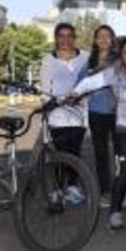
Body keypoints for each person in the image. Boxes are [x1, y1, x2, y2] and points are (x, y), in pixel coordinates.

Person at [74, 37, 126, 230]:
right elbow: (90, 82)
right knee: (123, 171)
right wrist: (74, 93)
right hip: (123, 131)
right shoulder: (114, 73)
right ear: (122, 56)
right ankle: (115, 212)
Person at [39, 23, 89, 158]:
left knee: (75, 154)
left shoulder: (85, 57)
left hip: (79, 115)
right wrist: (49, 104)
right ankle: (61, 179)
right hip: (57, 116)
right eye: (61, 36)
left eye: (69, 36)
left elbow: (90, 82)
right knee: (61, 155)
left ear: (74, 38)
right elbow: (45, 89)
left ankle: (73, 179)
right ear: (56, 38)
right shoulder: (49, 59)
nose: (65, 40)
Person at [85, 25, 119, 205]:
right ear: (95, 40)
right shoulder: (89, 61)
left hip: (117, 112)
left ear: (112, 39)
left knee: (120, 153)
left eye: (108, 36)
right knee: (100, 153)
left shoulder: (119, 59)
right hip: (96, 112)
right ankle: (104, 190)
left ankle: (120, 189)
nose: (104, 39)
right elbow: (81, 83)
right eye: (100, 36)